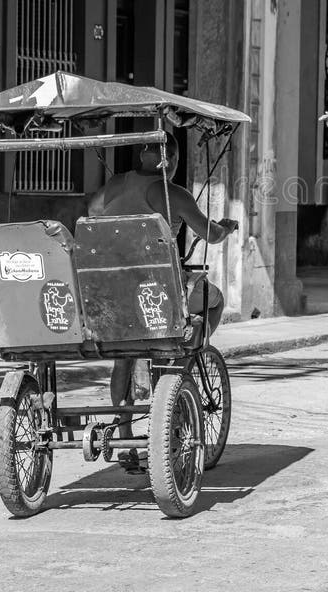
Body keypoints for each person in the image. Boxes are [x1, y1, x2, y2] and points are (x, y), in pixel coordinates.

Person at [87, 132, 237, 464]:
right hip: (158, 295)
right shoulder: (175, 194)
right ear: (170, 161)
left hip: (113, 295)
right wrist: (226, 228)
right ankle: (183, 360)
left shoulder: (112, 187)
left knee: (123, 358)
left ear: (142, 155)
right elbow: (210, 234)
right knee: (215, 299)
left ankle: (124, 434)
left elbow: (91, 214)